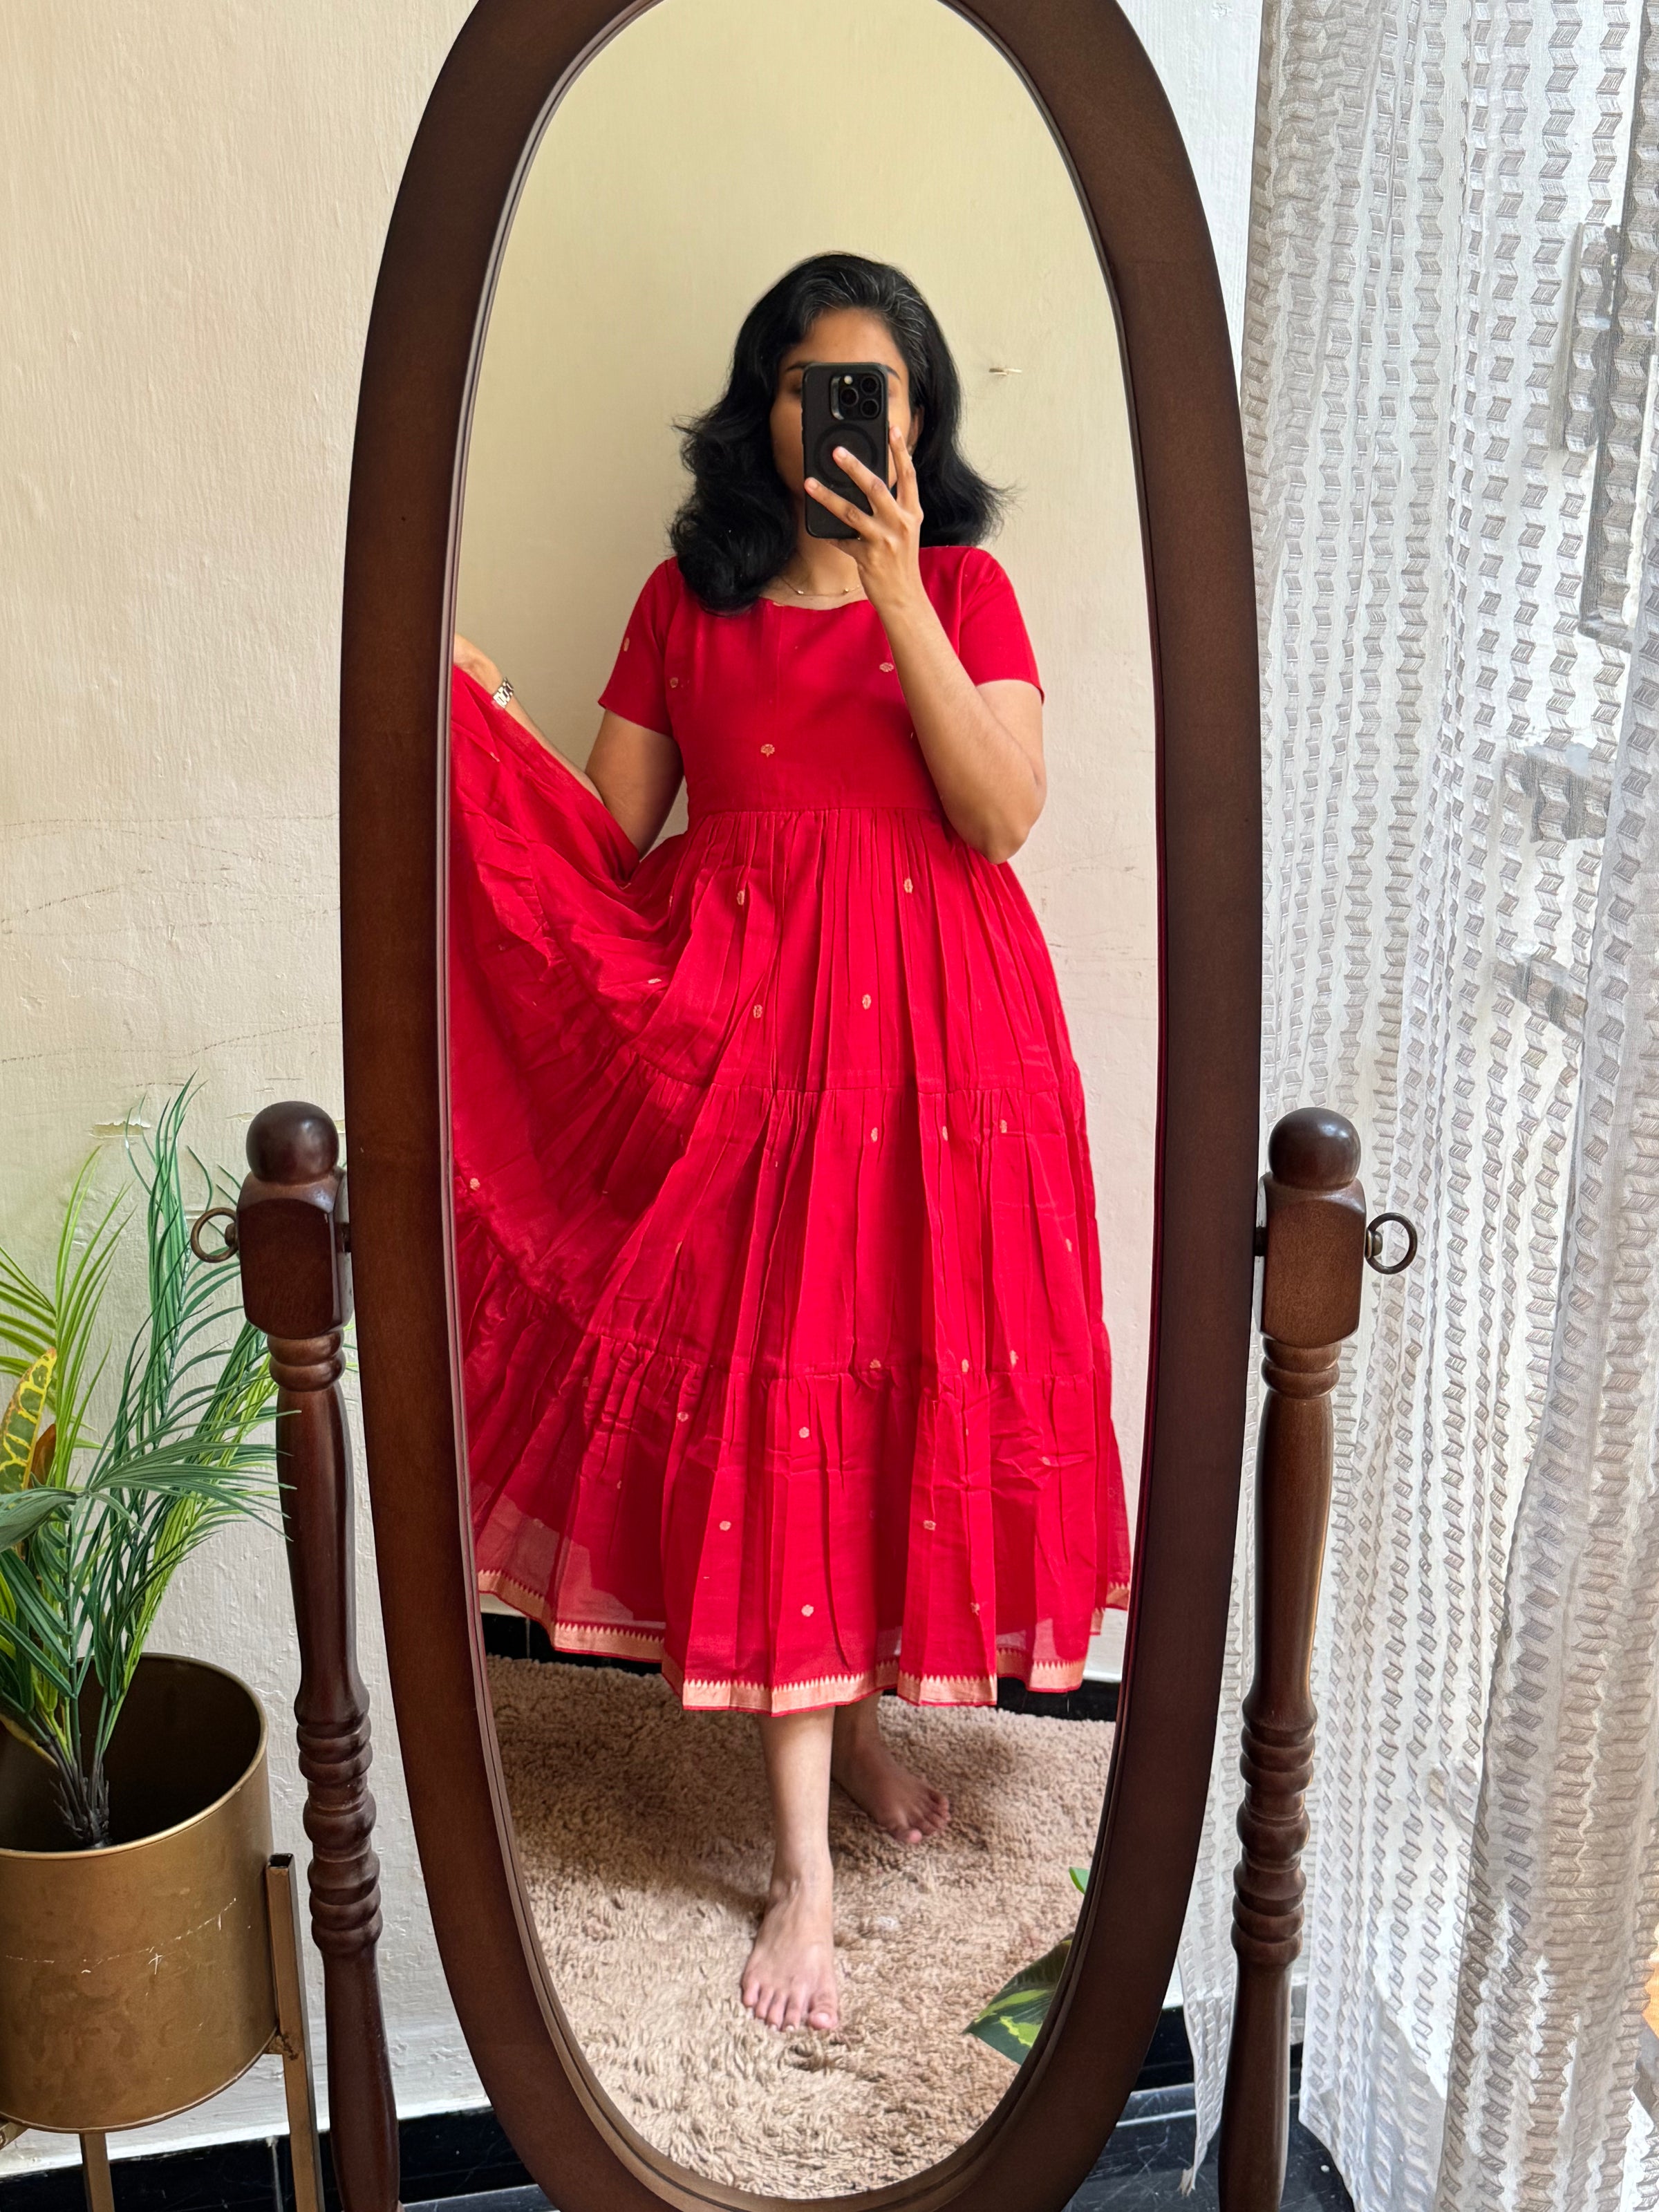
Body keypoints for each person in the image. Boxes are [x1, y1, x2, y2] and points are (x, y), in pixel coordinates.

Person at [449, 250, 1130, 2039]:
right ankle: (806, 1873)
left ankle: (870, 1741)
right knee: (786, 1412)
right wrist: (481, 734)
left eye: (873, 390)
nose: (838, 418)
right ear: (762, 411)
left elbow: (1001, 814)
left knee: (899, 1389)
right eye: (807, 385)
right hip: (747, 1057)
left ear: (916, 417)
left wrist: (899, 594)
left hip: (947, 1057)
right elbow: (600, 850)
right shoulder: (687, 601)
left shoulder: (967, 588)